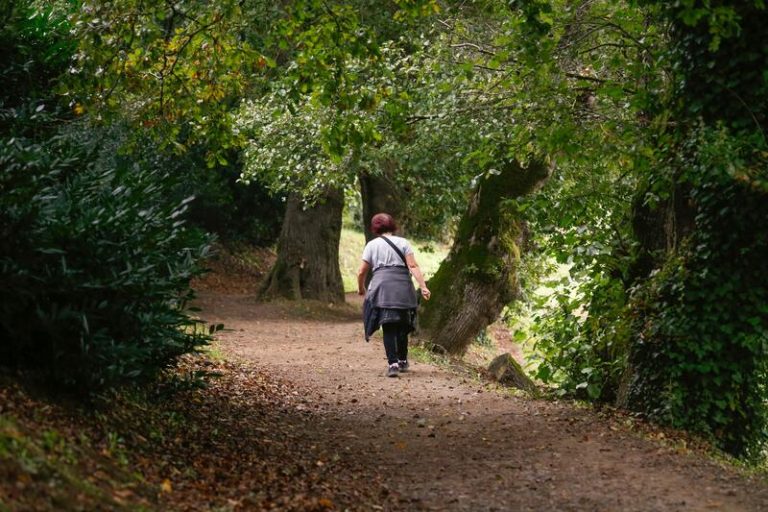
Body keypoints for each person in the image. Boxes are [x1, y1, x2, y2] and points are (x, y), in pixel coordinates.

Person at [357, 213, 431, 377]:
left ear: (375, 227)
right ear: (392, 225)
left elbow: (362, 271)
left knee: (388, 325)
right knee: (402, 325)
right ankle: (403, 360)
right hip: (402, 287)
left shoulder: (371, 245)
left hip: (382, 287)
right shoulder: (404, 242)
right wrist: (423, 286)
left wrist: (361, 288)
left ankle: (393, 364)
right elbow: (412, 265)